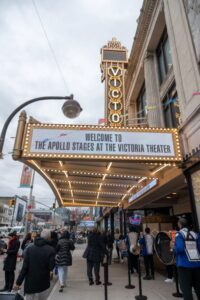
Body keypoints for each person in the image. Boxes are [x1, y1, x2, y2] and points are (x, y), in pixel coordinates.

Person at [13, 229, 55, 300]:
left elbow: (24, 268)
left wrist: (18, 283)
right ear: (49, 238)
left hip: (30, 284)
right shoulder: (51, 250)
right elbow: (51, 267)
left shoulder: (30, 249)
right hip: (43, 283)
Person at [173, 218, 200, 300]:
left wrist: (173, 248)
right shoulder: (195, 234)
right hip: (197, 264)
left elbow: (180, 249)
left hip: (184, 265)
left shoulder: (179, 234)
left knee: (186, 288)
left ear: (180, 224)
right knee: (198, 287)